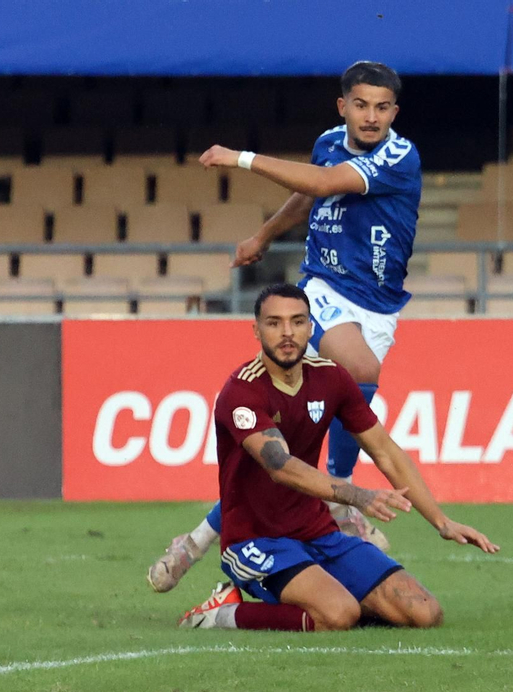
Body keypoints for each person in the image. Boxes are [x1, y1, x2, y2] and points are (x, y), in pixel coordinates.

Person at [148, 60, 422, 592]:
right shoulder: (329, 142)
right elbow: (311, 194)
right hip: (323, 287)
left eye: (382, 107)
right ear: (343, 107)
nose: (371, 116)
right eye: (360, 105)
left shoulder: (399, 155)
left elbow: (322, 182)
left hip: (378, 306)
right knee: (358, 369)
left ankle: (197, 541)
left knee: (293, 461)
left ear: (394, 111)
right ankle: (341, 495)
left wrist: (241, 158)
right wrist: (266, 235)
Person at [174, 284, 498, 632]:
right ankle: (222, 613)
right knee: (337, 615)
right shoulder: (242, 391)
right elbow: (281, 466)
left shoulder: (331, 377)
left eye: (298, 321)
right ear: (256, 330)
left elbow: (385, 450)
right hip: (253, 540)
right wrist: (358, 496)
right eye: (274, 323)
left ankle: (336, 594)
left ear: (311, 327)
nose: (287, 332)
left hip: (317, 533)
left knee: (424, 612)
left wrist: (441, 522)